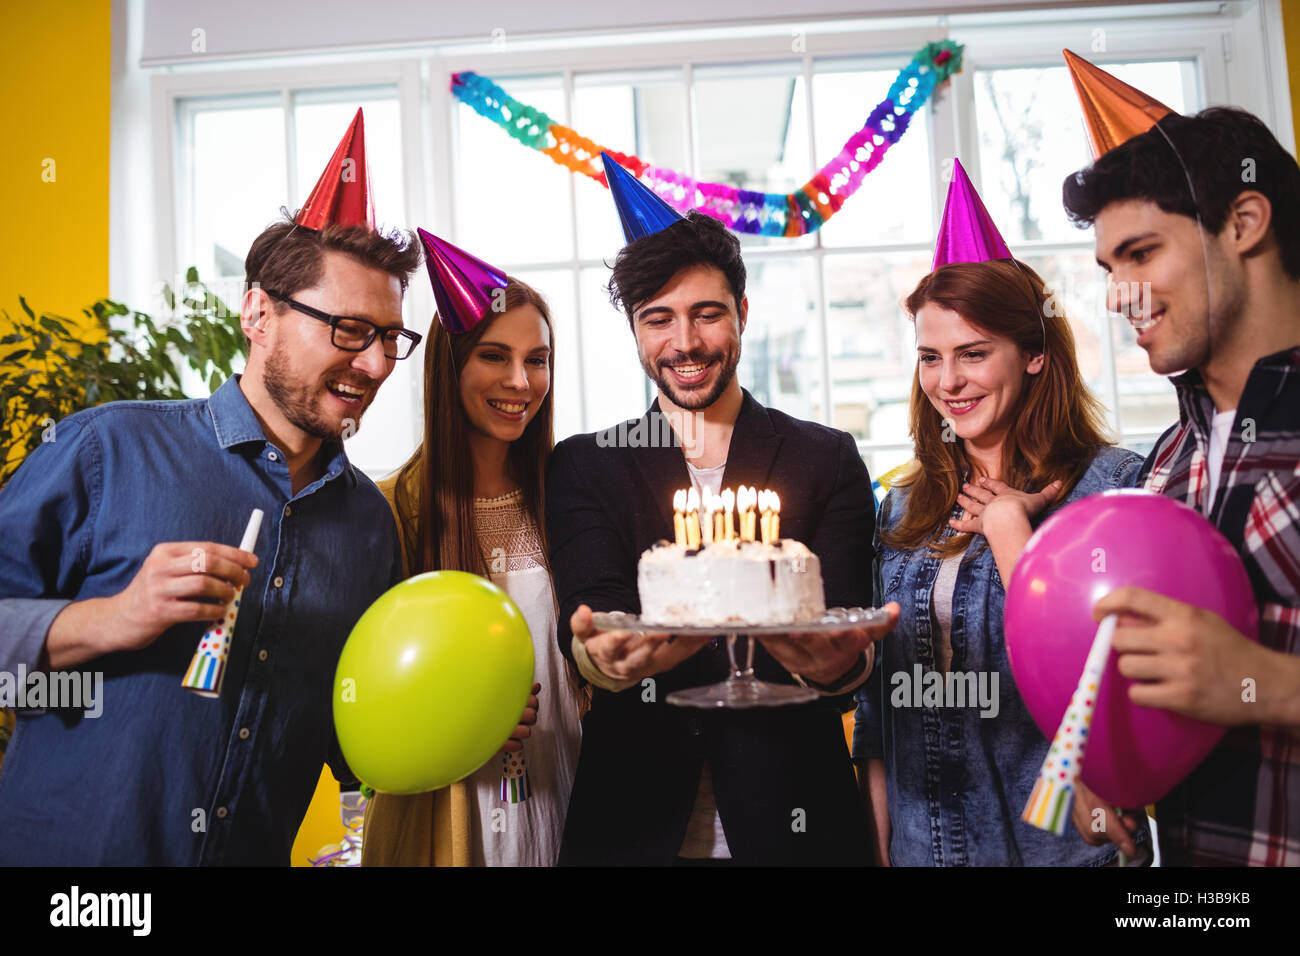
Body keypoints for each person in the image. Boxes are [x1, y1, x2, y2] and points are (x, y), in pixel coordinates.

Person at [0, 217, 423, 864]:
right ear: (258, 313)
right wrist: (112, 617)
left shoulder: (370, 523)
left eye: (391, 339)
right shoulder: (105, 450)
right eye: (350, 330)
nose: (373, 364)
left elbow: (352, 735)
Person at [548, 171, 897, 865]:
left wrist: (837, 669)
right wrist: (602, 659)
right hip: (635, 823)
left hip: (797, 821)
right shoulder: (586, 464)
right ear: (635, 329)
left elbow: (844, 623)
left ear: (742, 311)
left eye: (707, 313)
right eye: (659, 318)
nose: (686, 342)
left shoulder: (824, 457)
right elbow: (595, 612)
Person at [853, 159, 1150, 866]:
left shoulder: (1111, 490)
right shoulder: (901, 506)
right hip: (928, 847)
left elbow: (1114, 677)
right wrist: (881, 844)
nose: (948, 382)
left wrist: (1014, 536)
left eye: (974, 353)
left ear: (1037, 354)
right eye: (930, 357)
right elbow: (878, 712)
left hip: (1063, 847)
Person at [1062, 105, 1300, 866]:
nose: (1117, 294)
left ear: (1244, 222)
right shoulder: (1166, 462)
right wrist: (1111, 770)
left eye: (1140, 253)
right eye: (1109, 269)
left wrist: (1271, 683)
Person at [362, 233, 582, 867]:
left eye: (537, 359)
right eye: (494, 356)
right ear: (449, 365)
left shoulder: (569, 497)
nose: (520, 380)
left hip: (571, 794)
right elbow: (361, 700)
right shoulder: (391, 512)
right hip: (451, 819)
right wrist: (457, 719)